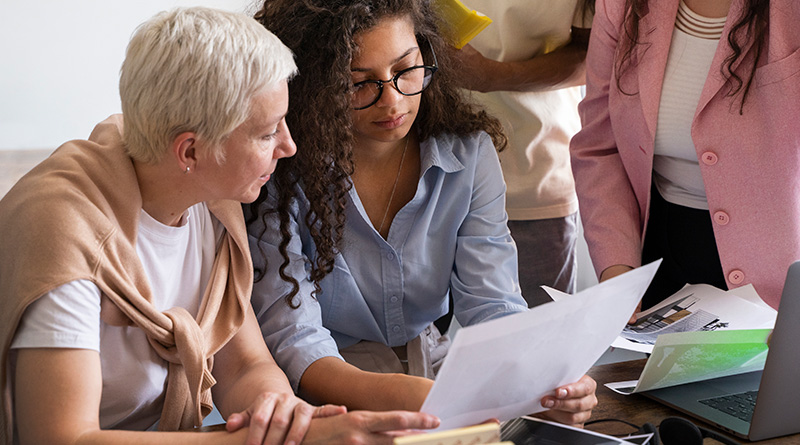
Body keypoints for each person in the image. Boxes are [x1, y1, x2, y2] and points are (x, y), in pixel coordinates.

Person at [0, 7, 440, 444]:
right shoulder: (63, 235)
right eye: (267, 133)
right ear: (190, 152)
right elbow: (60, 437)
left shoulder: (211, 204)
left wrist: (285, 417)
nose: (288, 146)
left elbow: (245, 367)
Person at [247, 0, 597, 427]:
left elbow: (493, 305)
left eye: (406, 69)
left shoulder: (468, 155)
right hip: (324, 395)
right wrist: (418, 397)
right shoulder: (280, 170)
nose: (392, 100)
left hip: (433, 375)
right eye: (360, 83)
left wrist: (541, 382)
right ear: (315, 85)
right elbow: (295, 339)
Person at [570, 0, 799, 317]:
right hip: (659, 252)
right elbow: (601, 146)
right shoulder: (621, 7)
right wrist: (617, 269)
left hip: (783, 265)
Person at [455, 0, 595, 307]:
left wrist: (491, 76)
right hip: (423, 172)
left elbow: (594, 55)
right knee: (412, 334)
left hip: (530, 177)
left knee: (539, 331)